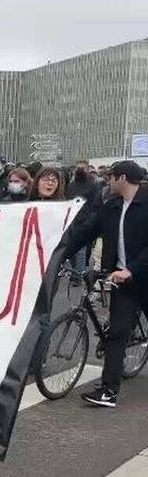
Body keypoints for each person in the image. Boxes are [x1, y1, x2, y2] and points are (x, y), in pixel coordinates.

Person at [62, 161, 148, 407]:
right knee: (117, 333)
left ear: (122, 178)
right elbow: (86, 232)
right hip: (123, 282)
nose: (107, 182)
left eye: (110, 178)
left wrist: (131, 269)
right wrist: (58, 254)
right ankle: (109, 391)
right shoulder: (112, 206)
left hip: (143, 276)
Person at [65, 160, 102, 272]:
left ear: (87, 170)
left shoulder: (93, 185)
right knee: (70, 248)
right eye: (78, 168)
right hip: (71, 219)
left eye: (82, 168)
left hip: (85, 220)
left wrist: (91, 218)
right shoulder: (71, 185)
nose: (80, 170)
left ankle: (78, 274)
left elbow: (95, 203)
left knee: (81, 249)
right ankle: (75, 270)